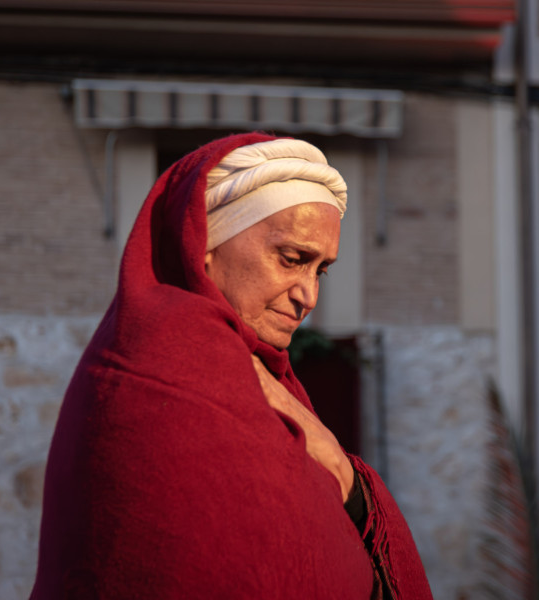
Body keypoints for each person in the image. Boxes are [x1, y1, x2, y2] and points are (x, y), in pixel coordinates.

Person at [30, 132, 432, 599]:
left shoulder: (270, 379)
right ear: (202, 244)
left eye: (319, 270)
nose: (309, 297)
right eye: (292, 258)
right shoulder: (157, 377)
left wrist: (346, 475)